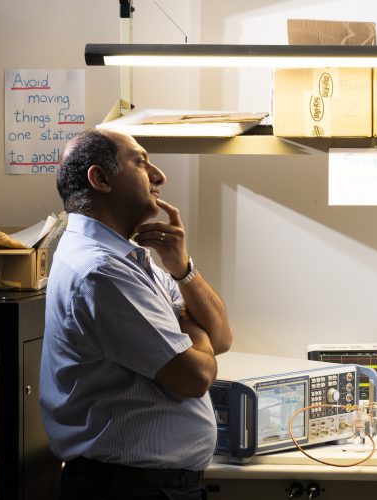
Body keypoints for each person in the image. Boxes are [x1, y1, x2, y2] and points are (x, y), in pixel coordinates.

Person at [40, 129, 232, 500]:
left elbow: (221, 337)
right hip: (126, 488)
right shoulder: (100, 271)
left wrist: (181, 267)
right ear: (101, 179)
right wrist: (192, 328)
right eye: (142, 162)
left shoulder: (128, 260)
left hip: (148, 485)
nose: (160, 176)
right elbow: (195, 376)